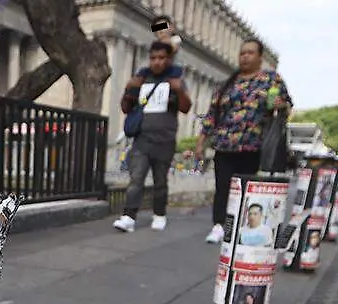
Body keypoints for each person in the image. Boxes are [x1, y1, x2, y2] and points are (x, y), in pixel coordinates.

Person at [196, 39, 292, 243]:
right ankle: (219, 225)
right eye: (242, 53)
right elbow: (211, 115)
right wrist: (201, 143)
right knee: (222, 187)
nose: (245, 57)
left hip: (252, 146)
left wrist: (280, 105)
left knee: (245, 188)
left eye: (250, 53)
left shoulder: (270, 79)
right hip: (224, 145)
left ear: (259, 57)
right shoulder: (227, 84)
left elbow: (287, 106)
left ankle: (241, 226)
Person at [114, 41, 192, 233]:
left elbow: (185, 108)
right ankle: (128, 216)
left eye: (161, 58)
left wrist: (179, 89)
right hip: (142, 138)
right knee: (136, 179)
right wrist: (127, 89)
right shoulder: (141, 79)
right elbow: (125, 108)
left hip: (165, 139)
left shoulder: (176, 80)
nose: (157, 62)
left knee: (160, 181)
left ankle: (159, 214)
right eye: (153, 58)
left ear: (169, 59)